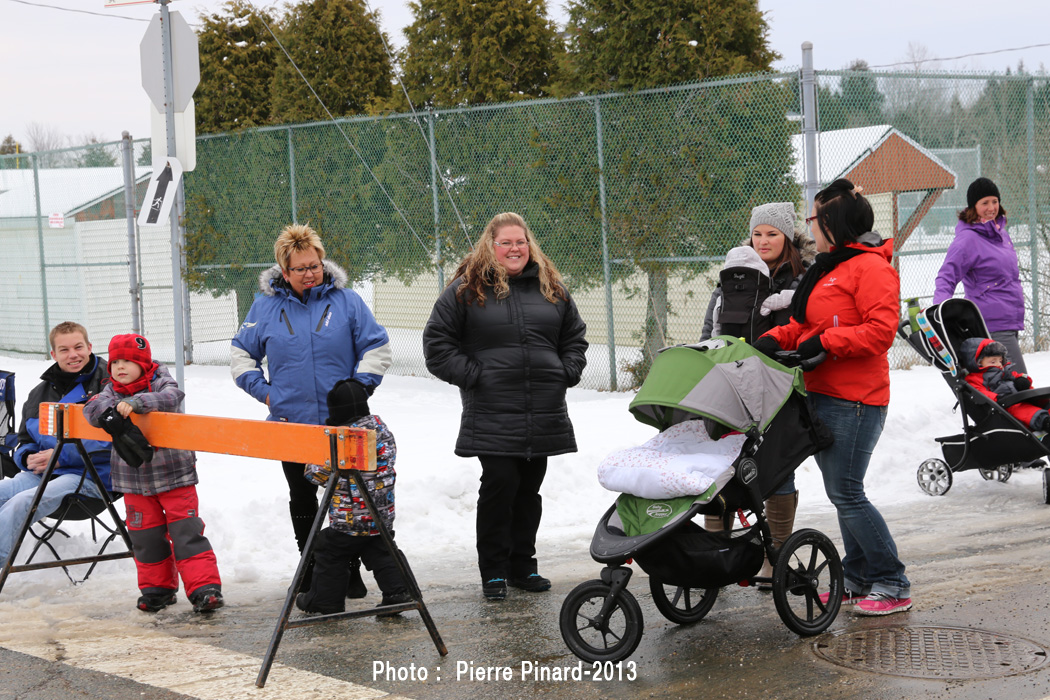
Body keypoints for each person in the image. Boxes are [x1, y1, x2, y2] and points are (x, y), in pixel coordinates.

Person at [753, 179, 912, 616]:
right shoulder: (830, 267)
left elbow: (880, 333)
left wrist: (827, 342)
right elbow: (805, 323)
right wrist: (775, 337)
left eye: (814, 219)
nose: (810, 227)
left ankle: (893, 582)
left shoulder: (871, 269)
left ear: (833, 223)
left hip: (857, 399)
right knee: (841, 491)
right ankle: (859, 577)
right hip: (823, 394)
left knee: (847, 492)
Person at [423, 212, 588, 601]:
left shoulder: (554, 290)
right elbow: (437, 346)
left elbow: (575, 339)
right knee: (500, 486)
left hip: (544, 410)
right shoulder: (466, 291)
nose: (514, 249)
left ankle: (522, 566)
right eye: (506, 243)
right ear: (490, 246)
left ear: (529, 245)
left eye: (520, 241)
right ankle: (494, 571)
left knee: (529, 492)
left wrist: (565, 371)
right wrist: (477, 375)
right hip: (493, 411)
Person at [230, 223, 392, 595]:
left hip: (345, 425)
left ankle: (348, 573)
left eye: (314, 265)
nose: (309, 274)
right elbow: (241, 355)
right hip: (292, 425)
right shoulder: (265, 307)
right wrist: (266, 393)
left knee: (350, 500)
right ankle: (311, 571)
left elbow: (377, 347)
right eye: (300, 268)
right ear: (283, 272)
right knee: (303, 499)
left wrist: (359, 386)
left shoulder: (347, 301)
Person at [700, 202, 815, 588]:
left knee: (777, 466)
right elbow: (711, 326)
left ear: (788, 238)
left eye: (772, 234)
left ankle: (775, 555)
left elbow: (800, 328)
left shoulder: (800, 279)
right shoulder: (735, 275)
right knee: (720, 465)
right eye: (758, 233)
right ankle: (715, 550)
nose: (763, 241)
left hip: (775, 384)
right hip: (731, 384)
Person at [84, 334, 223, 614]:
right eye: (115, 362)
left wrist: (137, 403)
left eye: (128, 361)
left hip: (174, 478)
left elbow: (171, 397)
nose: (120, 368)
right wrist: (107, 413)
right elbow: (91, 407)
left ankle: (203, 588)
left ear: (144, 364)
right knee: (145, 538)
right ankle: (157, 589)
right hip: (134, 483)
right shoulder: (110, 390)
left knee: (186, 534)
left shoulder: (161, 381)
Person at [1, 322, 112, 568]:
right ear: (53, 354)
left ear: (90, 347)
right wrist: (27, 457)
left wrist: (62, 456)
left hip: (93, 478)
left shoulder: (110, 384)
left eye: (78, 347)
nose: (73, 354)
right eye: (64, 349)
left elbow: (115, 440)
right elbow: (25, 440)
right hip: (45, 474)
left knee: (21, 502)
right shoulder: (39, 393)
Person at [295, 379, 410, 615]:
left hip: (351, 517)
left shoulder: (345, 440)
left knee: (329, 548)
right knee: (379, 546)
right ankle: (399, 591)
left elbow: (315, 474)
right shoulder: (382, 430)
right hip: (381, 513)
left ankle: (324, 600)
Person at [933, 177, 1027, 374]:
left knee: (1009, 387)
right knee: (1019, 386)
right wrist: (937, 313)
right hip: (991, 323)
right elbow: (947, 276)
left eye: (994, 201)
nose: (991, 207)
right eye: (984, 203)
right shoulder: (968, 240)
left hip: (1010, 320)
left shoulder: (1002, 234)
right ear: (973, 207)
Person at [961, 338, 1049, 431]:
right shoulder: (975, 378)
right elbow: (979, 393)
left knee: (1042, 400)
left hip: (1020, 397)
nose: (999, 364)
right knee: (1021, 410)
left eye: (1000, 360)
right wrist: (997, 398)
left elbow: (1018, 375)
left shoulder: (1005, 370)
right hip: (1005, 405)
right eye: (993, 362)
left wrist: (1023, 380)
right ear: (978, 363)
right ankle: (1044, 421)